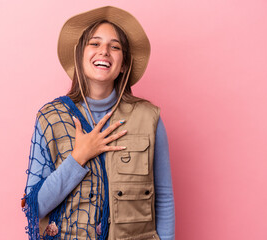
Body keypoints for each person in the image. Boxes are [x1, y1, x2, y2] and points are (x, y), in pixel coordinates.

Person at [22, 6, 175, 240]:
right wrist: (78, 157)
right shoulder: (50, 118)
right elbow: (35, 207)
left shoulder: (149, 118)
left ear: (124, 64)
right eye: (94, 44)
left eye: (115, 47)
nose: (104, 51)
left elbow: (163, 197)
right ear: (80, 55)